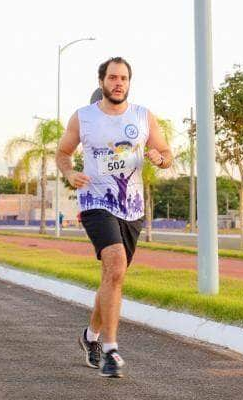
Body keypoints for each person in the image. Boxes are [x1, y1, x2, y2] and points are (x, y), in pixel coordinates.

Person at [56, 57, 173, 378]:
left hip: (132, 206)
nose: (118, 82)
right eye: (112, 77)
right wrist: (69, 173)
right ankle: (111, 350)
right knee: (116, 263)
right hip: (95, 200)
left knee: (114, 277)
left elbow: (166, 155)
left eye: (123, 78)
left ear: (129, 82)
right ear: (102, 81)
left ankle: (90, 337)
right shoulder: (84, 118)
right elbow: (63, 153)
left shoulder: (143, 117)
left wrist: (159, 157)